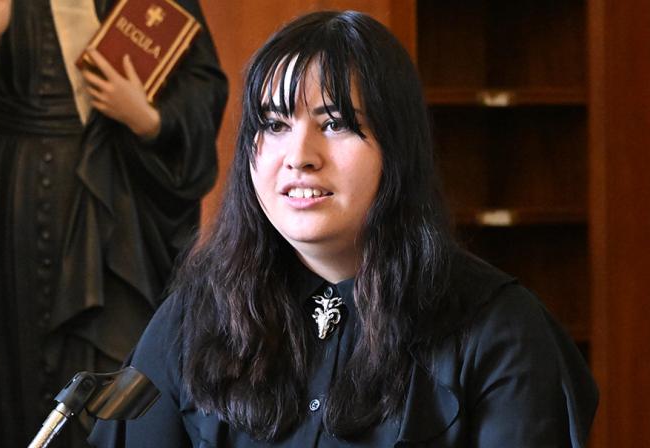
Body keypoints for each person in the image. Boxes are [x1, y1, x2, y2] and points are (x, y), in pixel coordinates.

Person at [88, 10, 598, 448]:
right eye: (274, 124)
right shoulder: (192, 316)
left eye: (334, 123)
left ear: (396, 149)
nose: (299, 158)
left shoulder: (500, 329)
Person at [0, 0, 227, 446]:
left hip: (119, 218)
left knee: (121, 373)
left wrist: (151, 119)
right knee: (15, 378)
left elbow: (203, 89)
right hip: (9, 222)